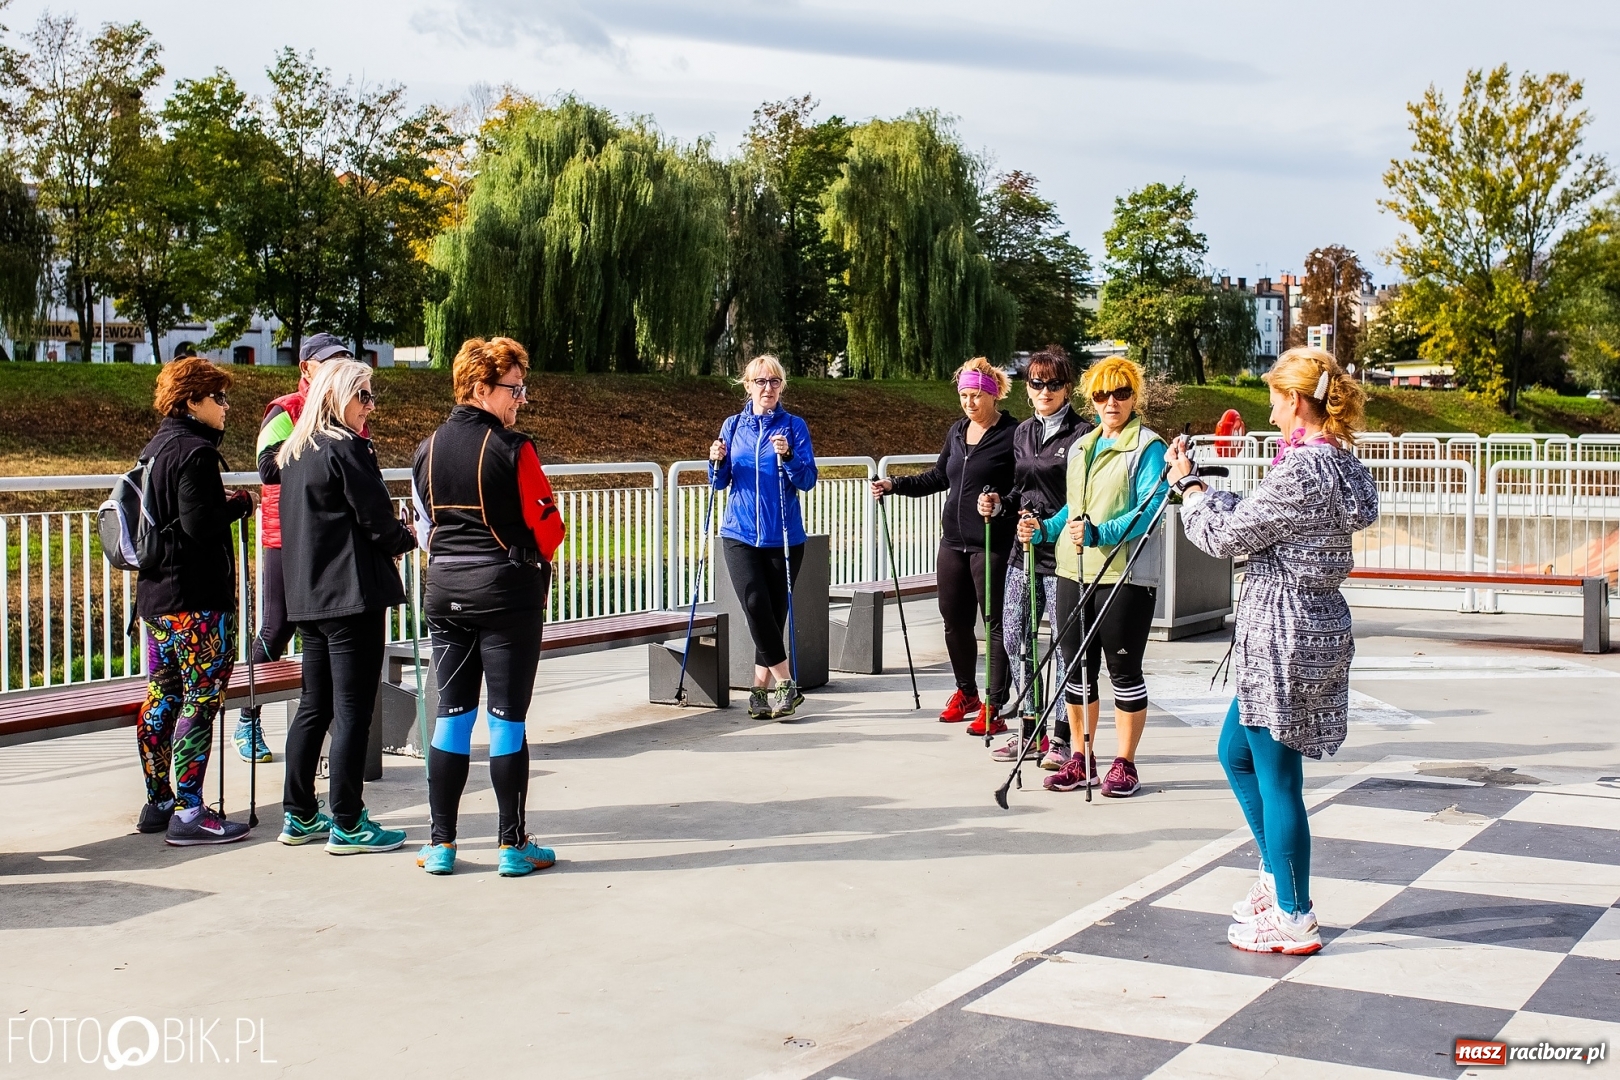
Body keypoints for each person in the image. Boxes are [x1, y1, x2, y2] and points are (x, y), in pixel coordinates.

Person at [1169, 347, 1377, 955]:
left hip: (1283, 632)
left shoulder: (1300, 470)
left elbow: (1226, 537)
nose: (1269, 407)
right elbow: (1265, 522)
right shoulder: (1337, 462)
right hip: (1312, 624)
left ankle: (1295, 914)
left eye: (1274, 397)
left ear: (1293, 400)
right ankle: (1274, 875)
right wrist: (1208, 489)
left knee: (1278, 775)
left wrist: (1188, 489)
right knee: (1236, 750)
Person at [411, 338, 567, 877]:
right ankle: (511, 844)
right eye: (514, 389)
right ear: (481, 389)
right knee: (507, 722)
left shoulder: (425, 449)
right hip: (506, 594)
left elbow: (425, 530)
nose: (521, 399)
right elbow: (550, 529)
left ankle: (441, 845)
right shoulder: (513, 448)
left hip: (445, 590)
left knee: (450, 719)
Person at [276, 359, 418, 854]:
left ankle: (298, 813)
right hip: (351, 595)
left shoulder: (295, 453)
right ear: (337, 397)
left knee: (315, 705)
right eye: (363, 396)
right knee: (353, 708)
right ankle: (349, 820)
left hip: (309, 596)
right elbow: (376, 521)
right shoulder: (347, 448)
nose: (370, 407)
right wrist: (408, 536)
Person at [1020, 356, 1165, 796]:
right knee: (1077, 671)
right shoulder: (1083, 446)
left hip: (1125, 574)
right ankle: (1082, 759)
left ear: (1134, 396)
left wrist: (1103, 532)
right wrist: (1045, 528)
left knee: (1123, 671)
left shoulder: (1147, 446)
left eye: (1121, 393)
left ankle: (1126, 763)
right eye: (1102, 395)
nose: (1111, 402)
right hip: (1073, 568)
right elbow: (1073, 507)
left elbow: (1149, 509)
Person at [132, 357, 256, 845]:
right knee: (201, 699)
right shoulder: (196, 453)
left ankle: (159, 801)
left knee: (162, 695)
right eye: (218, 398)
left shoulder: (154, 449)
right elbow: (198, 525)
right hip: (197, 602)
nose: (225, 408)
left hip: (156, 599)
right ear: (192, 402)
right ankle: (191, 811)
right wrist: (239, 505)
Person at [873, 357, 1018, 731]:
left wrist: (1001, 503)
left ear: (993, 394)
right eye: (964, 396)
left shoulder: (1013, 434)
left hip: (992, 543)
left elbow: (1023, 486)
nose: (969, 403)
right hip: (953, 543)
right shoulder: (957, 431)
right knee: (954, 621)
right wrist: (895, 485)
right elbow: (939, 476)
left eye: (976, 395)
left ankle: (995, 704)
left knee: (996, 624)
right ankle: (966, 691)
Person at [238, 332, 356, 763]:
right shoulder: (284, 408)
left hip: (331, 539)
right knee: (277, 628)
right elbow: (267, 467)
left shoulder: (348, 406)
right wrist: (318, 446)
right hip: (285, 537)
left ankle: (322, 732)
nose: (335, 367)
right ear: (306, 367)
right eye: (327, 361)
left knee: (324, 633)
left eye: (342, 359)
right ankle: (246, 719)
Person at [986, 348, 1092, 762]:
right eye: (1036, 383)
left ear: (1067, 388)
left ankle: (1064, 737)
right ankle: (1031, 728)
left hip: (1062, 550)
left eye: (1053, 384)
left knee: (1065, 644)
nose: (1044, 390)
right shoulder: (1023, 432)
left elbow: (1079, 497)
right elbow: (1020, 489)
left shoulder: (1083, 434)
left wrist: (1048, 522)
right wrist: (999, 503)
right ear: (1027, 388)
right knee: (1014, 635)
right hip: (1023, 549)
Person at [709, 355, 818, 720]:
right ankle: (787, 683)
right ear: (747, 385)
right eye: (760, 382)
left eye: (774, 382)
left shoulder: (794, 426)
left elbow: (807, 480)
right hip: (739, 533)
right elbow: (719, 482)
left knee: (771, 617)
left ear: (782, 386)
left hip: (783, 536)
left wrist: (788, 457)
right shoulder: (732, 425)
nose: (767, 388)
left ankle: (758, 692)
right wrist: (716, 461)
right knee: (755, 604)